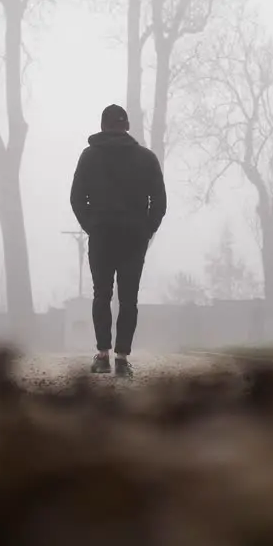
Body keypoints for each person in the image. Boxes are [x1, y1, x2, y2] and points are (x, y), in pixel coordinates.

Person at [70, 104, 166, 378]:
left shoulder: (89, 157)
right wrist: (147, 229)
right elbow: (159, 201)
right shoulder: (146, 159)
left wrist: (91, 226)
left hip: (101, 235)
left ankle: (102, 355)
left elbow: (77, 198)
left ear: (103, 126)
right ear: (126, 127)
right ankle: (122, 358)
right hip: (134, 238)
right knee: (128, 298)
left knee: (101, 294)